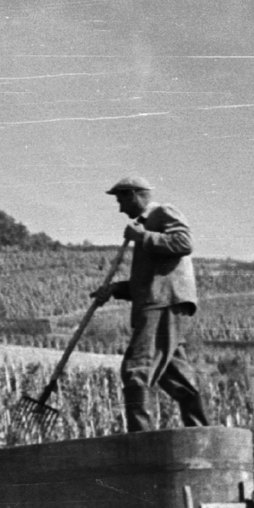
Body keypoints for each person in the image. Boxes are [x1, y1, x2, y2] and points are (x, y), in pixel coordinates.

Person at [91, 176, 209, 433]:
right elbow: (146, 281)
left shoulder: (162, 213)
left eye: (121, 200)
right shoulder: (145, 226)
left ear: (134, 194)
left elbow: (184, 243)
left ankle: (141, 439)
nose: (120, 208)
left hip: (163, 303)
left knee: (136, 369)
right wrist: (114, 289)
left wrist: (143, 236)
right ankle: (202, 432)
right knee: (176, 377)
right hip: (158, 301)